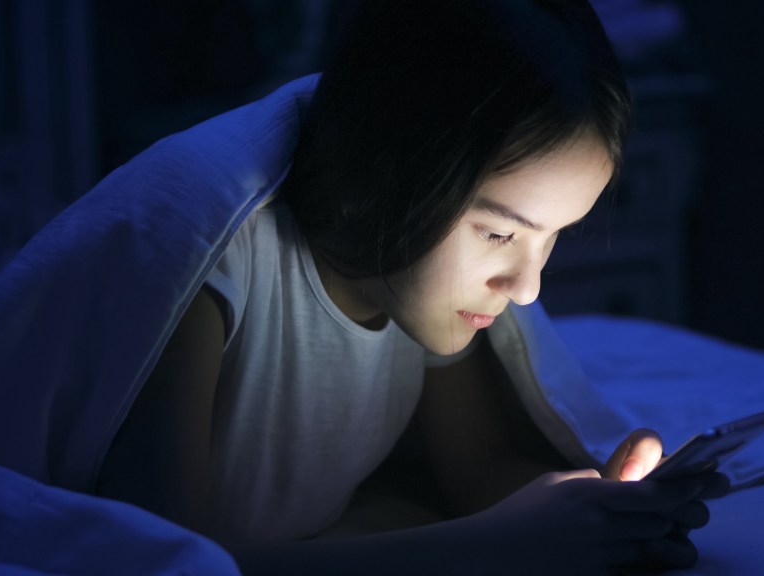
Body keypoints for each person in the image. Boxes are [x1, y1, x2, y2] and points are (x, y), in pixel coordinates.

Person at [90, 0, 729, 573]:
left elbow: (475, 470)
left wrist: (602, 507)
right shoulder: (208, 262)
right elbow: (156, 561)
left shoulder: (417, 286)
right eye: (500, 234)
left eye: (552, 234)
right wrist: (490, 551)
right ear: (393, 172)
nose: (528, 290)